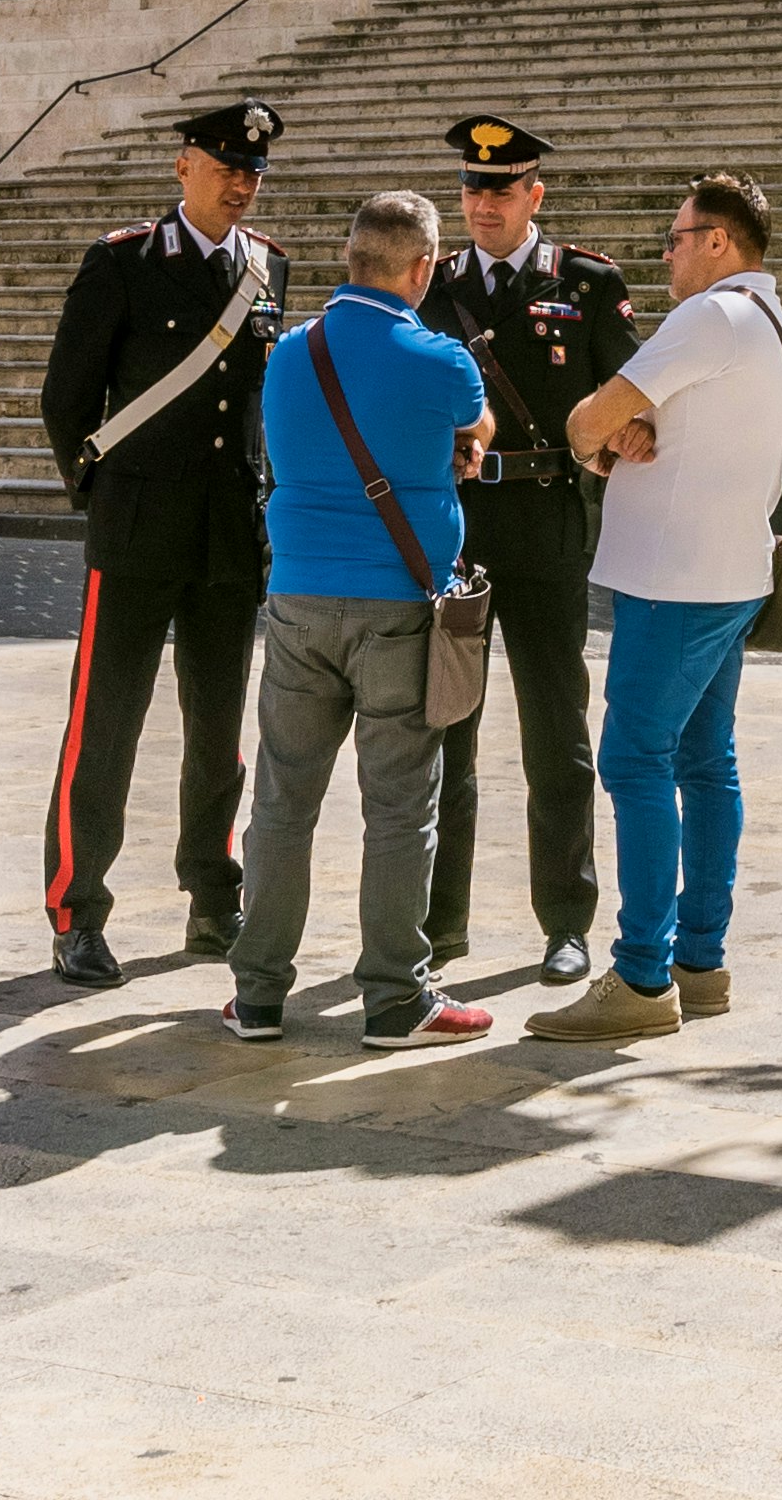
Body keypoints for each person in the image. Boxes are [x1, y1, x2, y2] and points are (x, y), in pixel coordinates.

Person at [526, 170, 782, 1047]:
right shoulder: (772, 323)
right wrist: (625, 441)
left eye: (678, 237)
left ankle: (642, 975)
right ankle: (701, 962)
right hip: (727, 575)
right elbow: (664, 432)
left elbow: (590, 417)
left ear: (719, 241)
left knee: (637, 763)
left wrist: (595, 435)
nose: (668, 253)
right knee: (704, 764)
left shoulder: (709, 317)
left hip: (673, 580)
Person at [222, 188, 496, 1047]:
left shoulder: (290, 354)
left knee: (281, 802)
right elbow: (475, 423)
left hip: (298, 600)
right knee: (401, 807)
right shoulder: (443, 359)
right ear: (421, 269)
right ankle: (393, 999)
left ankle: (258, 994)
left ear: (350, 259)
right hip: (399, 607)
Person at [35, 99, 288, 988]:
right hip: (137, 530)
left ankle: (213, 898)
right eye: (225, 167)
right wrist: (100, 496)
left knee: (218, 731)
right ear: (185, 165)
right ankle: (77, 910)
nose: (241, 184)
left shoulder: (268, 268)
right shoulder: (123, 262)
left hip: (228, 536)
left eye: (252, 172)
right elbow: (67, 399)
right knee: (105, 725)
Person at [417, 115, 631, 988]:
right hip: (459, 530)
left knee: (556, 733)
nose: (482, 203)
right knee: (448, 730)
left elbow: (628, 398)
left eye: (500, 189)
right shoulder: (430, 288)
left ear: (534, 193)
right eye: (470, 188)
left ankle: (567, 920)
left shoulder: (583, 282)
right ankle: (441, 923)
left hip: (545, 527)